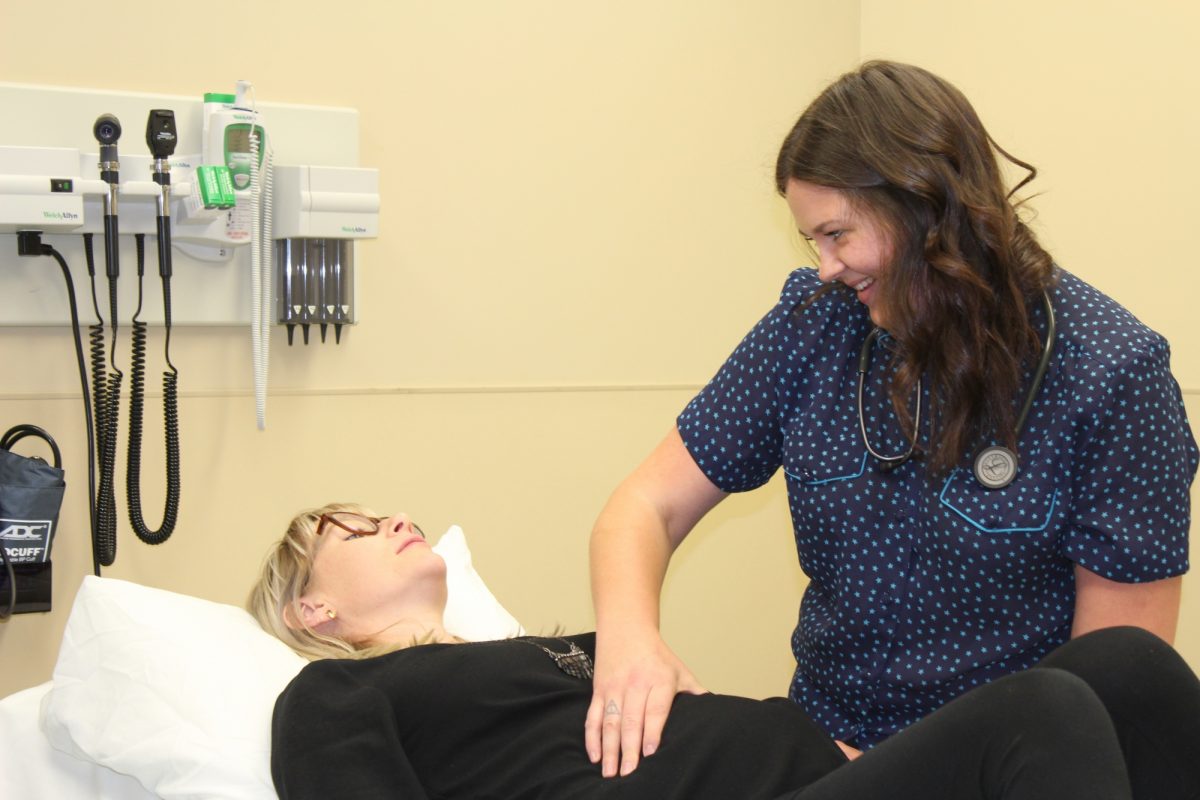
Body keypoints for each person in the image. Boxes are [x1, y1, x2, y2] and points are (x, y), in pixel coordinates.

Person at [587, 59, 1199, 778]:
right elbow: (643, 507)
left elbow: (1115, 693)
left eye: (837, 234)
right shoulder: (814, 324)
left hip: (1005, 771)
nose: (824, 265)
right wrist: (628, 643)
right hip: (824, 759)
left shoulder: (1111, 374)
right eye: (811, 240)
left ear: (924, 204)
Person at [250, 503, 1200, 799]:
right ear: (316, 604)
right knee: (1037, 715)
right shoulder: (331, 696)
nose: (399, 519)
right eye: (363, 527)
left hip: (814, 778)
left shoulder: (537, 656)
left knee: (1125, 666)